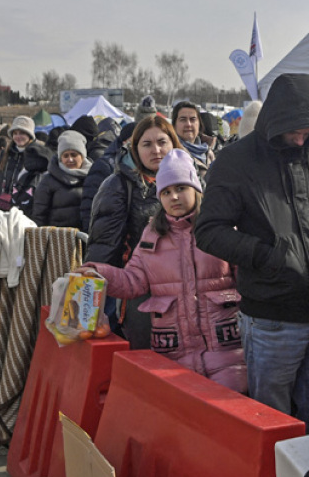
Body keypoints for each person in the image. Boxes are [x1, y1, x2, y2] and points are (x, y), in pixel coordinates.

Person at [195, 73, 309, 432]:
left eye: (308, 131)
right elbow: (208, 231)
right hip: (272, 321)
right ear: (274, 121)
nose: (301, 139)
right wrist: (268, 256)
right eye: (294, 131)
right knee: (273, 424)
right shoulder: (236, 161)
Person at [77, 150, 245, 392]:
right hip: (173, 359)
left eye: (181, 188)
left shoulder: (221, 227)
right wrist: (99, 273)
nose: (174, 197)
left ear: (197, 190)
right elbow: (133, 280)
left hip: (227, 356)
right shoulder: (152, 234)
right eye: (166, 192)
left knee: (227, 418)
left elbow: (245, 279)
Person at [87, 115, 182, 349]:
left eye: (162, 142)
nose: (156, 150)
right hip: (141, 295)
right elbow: (103, 249)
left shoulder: (193, 180)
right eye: (147, 144)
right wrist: (90, 303)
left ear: (173, 143)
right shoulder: (118, 185)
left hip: (187, 291)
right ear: (135, 148)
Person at [32, 130, 91, 229]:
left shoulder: (93, 177)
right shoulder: (48, 181)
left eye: (74, 154)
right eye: (65, 155)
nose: (70, 159)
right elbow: (39, 216)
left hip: (87, 238)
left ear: (82, 156)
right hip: (59, 239)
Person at [0, 115, 37, 211]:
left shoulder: (35, 156)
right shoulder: (5, 154)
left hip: (23, 210)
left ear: (30, 135)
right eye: (15, 133)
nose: (18, 137)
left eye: (22, 133)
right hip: (0, 207)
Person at [172, 100, 216, 180]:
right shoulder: (173, 154)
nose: (188, 124)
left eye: (193, 119)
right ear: (174, 125)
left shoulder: (208, 152)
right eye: (183, 119)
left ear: (199, 124)